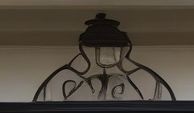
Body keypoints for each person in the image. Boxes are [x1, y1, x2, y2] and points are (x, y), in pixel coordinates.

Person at [34, 13, 174, 102]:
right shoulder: (66, 77)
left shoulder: (141, 77)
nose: (105, 54)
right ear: (84, 49)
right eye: (96, 48)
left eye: (113, 48)